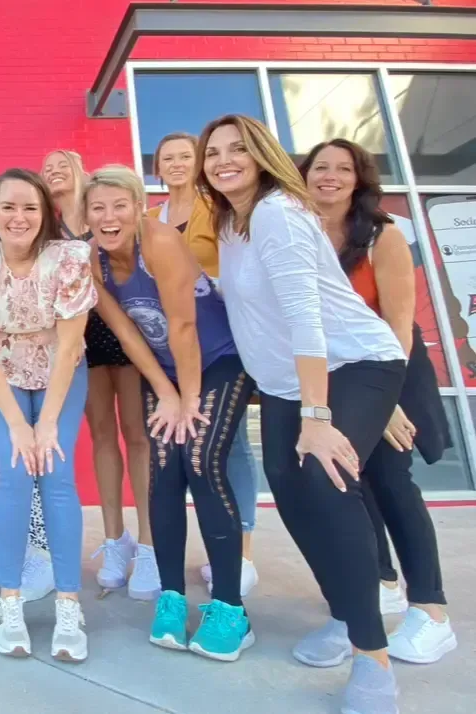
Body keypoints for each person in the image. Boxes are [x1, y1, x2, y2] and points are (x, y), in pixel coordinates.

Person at [199, 114, 407, 714]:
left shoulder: (277, 214)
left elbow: (306, 317)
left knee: (326, 480)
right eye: (214, 152)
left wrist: (318, 417)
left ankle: (374, 659)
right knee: (291, 496)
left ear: (263, 155)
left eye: (238, 148)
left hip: (353, 363)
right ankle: (346, 614)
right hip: (289, 385)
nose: (224, 159)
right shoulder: (233, 222)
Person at [88, 165, 255, 661]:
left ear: (139, 206)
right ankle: (171, 595)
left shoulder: (158, 242)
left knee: (201, 461)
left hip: (219, 360)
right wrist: (164, 389)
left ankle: (230, 608)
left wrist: (187, 398)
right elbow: (125, 332)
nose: (109, 216)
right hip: (164, 370)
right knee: (164, 470)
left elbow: (183, 326)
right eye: (97, 208)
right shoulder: (91, 260)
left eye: (120, 205)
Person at [302, 138, 456, 663]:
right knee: (352, 481)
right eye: (320, 167)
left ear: (359, 178)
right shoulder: (302, 235)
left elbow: (397, 326)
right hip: (337, 375)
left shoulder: (383, 236)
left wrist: (386, 401)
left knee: (391, 481)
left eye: (342, 169)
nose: (330, 177)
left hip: (390, 371)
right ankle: (382, 583)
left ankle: (431, 610)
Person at [0, 168, 94, 662]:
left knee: (56, 472)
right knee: (16, 474)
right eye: (9, 207)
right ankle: (9, 600)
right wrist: (18, 424)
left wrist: (48, 421)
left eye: (30, 207)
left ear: (46, 213)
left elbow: (70, 340)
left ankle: (68, 604)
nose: (19, 217)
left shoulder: (71, 257)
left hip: (62, 369)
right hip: (3, 374)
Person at [146, 132, 261, 597]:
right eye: (167, 158)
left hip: (224, 339)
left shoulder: (218, 210)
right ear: (157, 169)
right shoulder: (150, 219)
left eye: (185, 157)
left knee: (227, 445)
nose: (176, 165)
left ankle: (244, 551)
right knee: (178, 455)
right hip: (172, 347)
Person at [43, 149, 156, 600]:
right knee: (103, 435)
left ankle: (149, 544)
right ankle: (115, 540)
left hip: (127, 335)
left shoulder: (107, 217)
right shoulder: (50, 227)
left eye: (62, 163)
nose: (53, 171)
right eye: (45, 166)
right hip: (81, 341)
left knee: (139, 435)